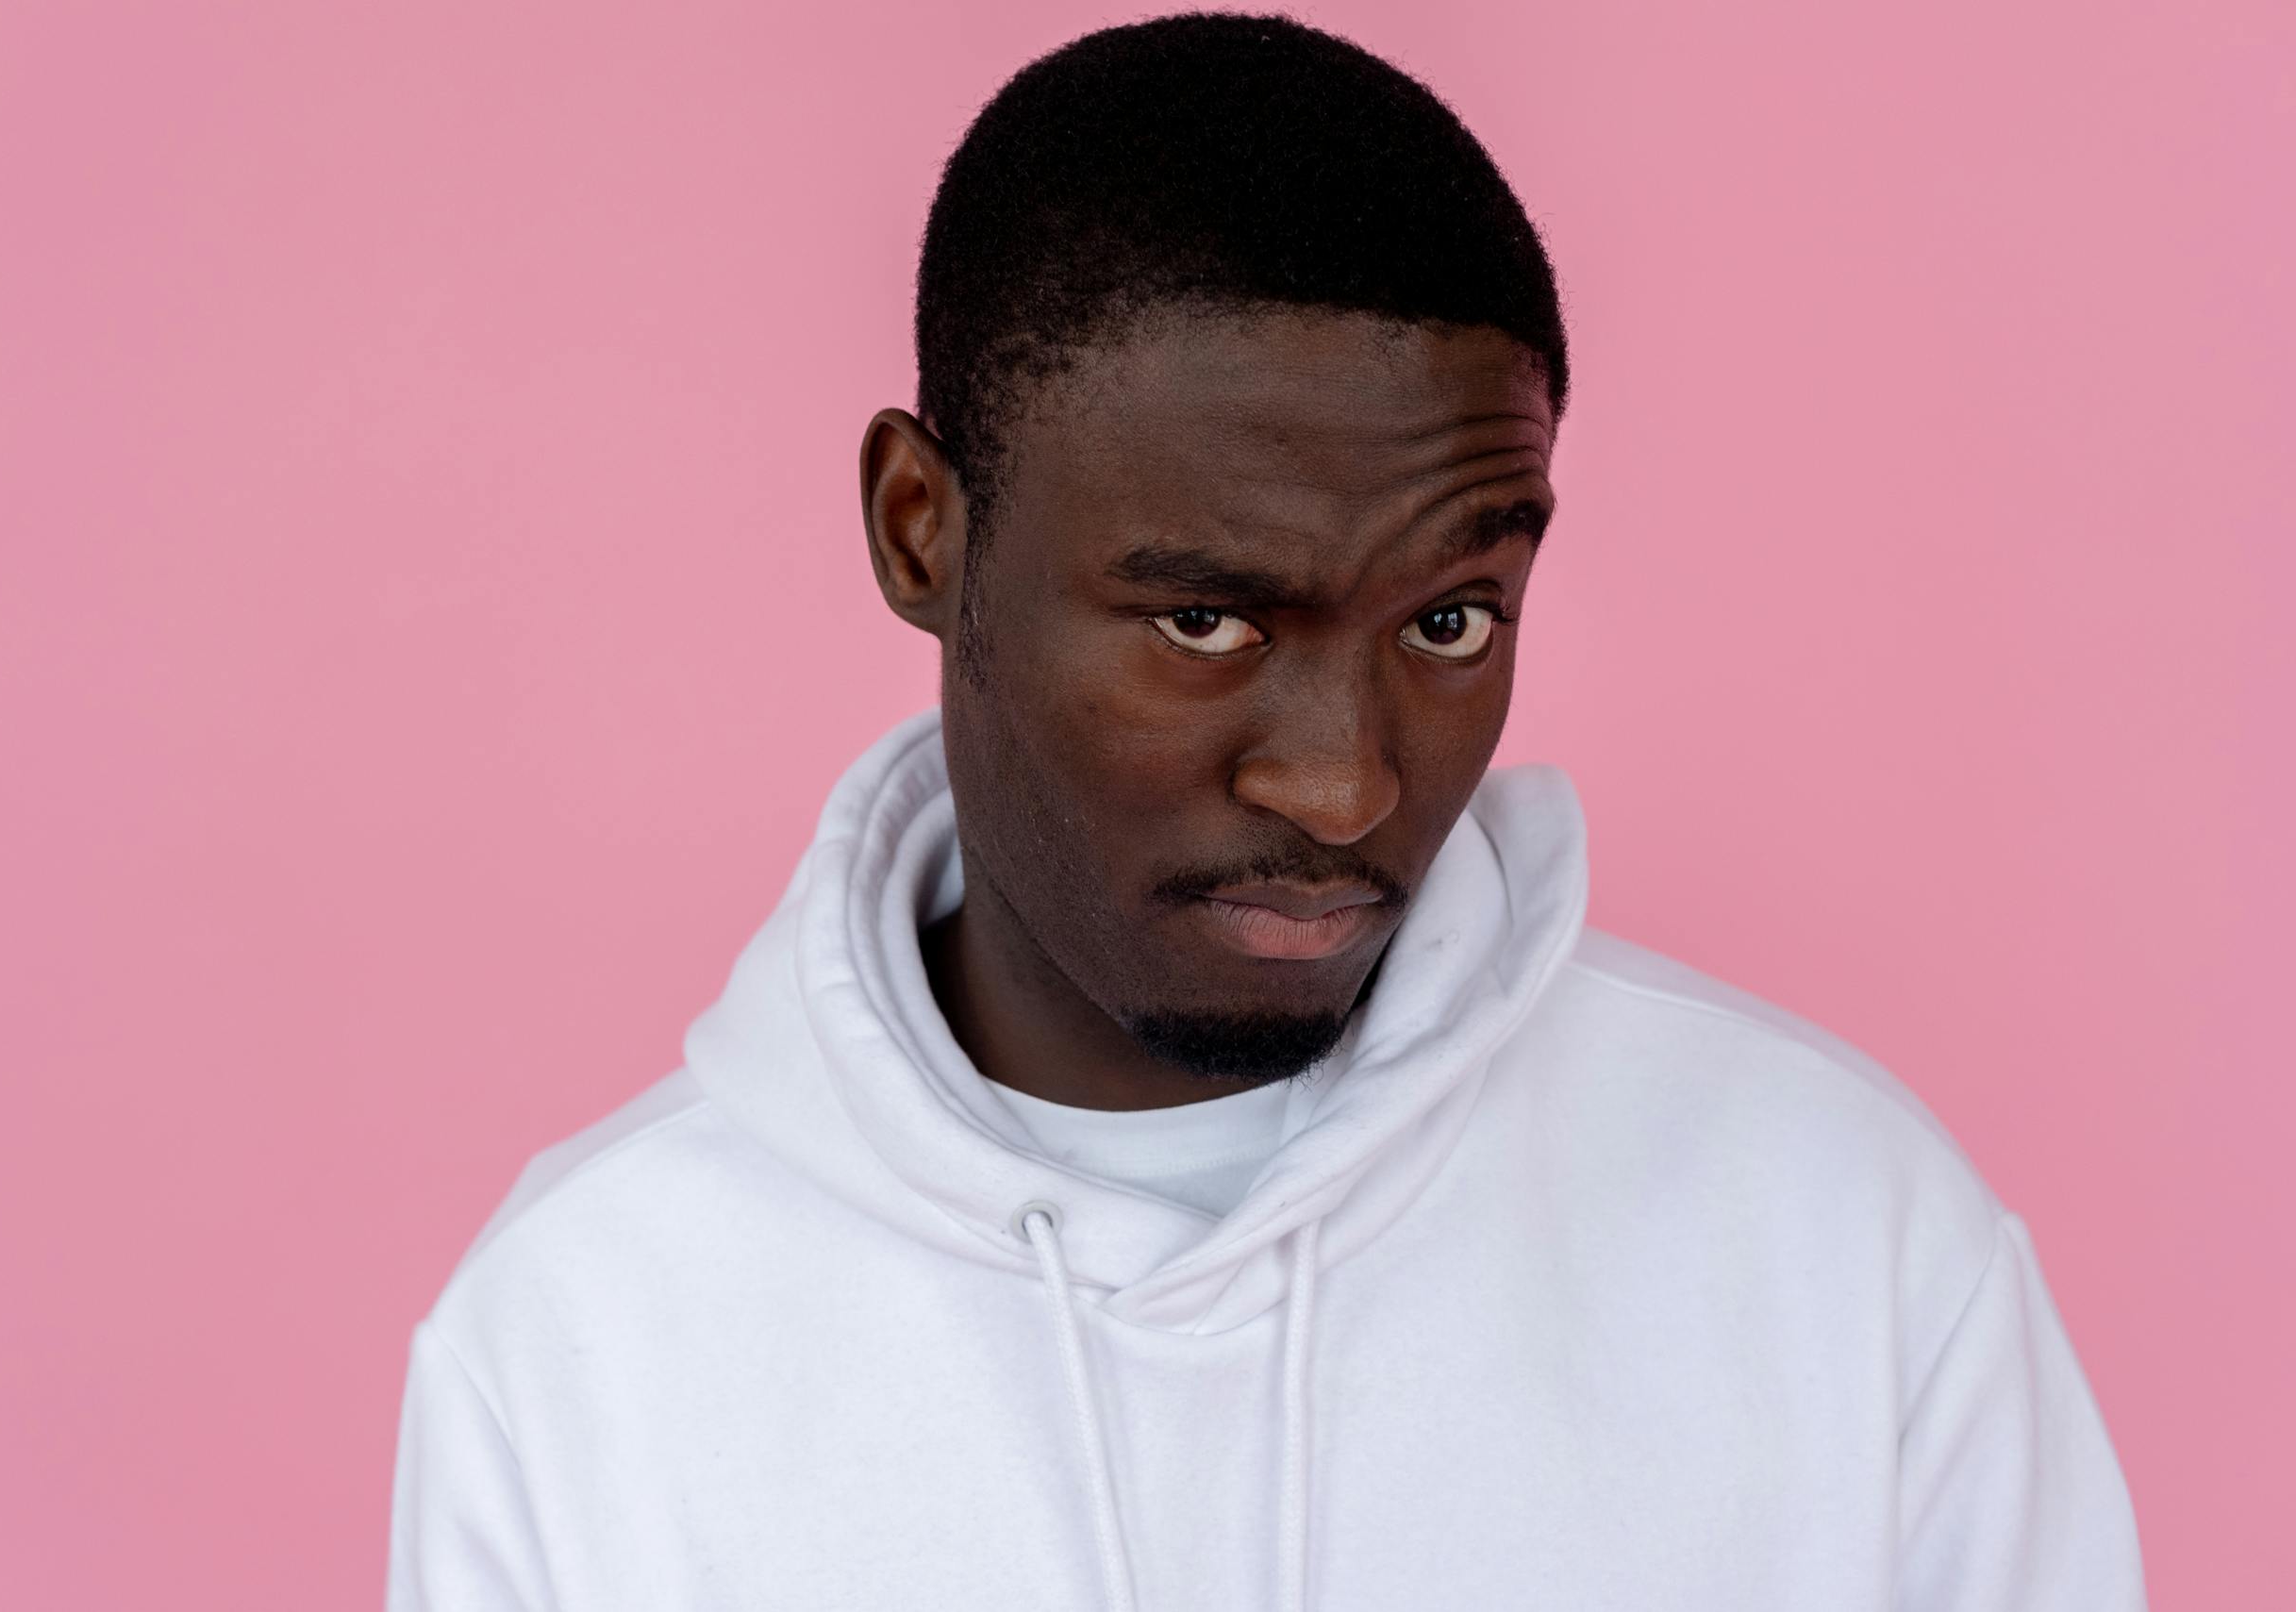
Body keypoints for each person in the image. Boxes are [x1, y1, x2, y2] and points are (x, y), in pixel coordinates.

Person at [385, 13, 2147, 1609]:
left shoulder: (1844, 1243)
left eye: (1446, 622)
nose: (1348, 782)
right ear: (925, 531)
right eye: (1206, 622)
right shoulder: (582, 1342)